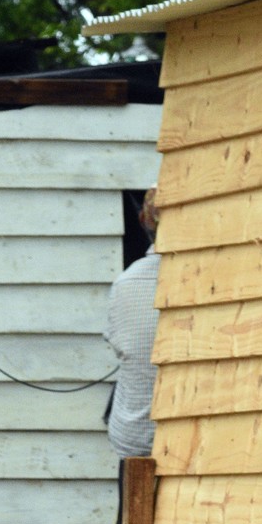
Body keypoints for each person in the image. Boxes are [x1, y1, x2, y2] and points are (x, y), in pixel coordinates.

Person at [104, 188, 162, 462]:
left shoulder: (126, 282)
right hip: (190, 443)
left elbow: (119, 346)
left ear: (144, 222)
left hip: (134, 440)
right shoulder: (212, 279)